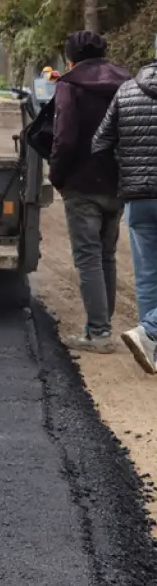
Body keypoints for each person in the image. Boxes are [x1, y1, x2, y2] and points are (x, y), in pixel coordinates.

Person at [48, 31, 131, 353]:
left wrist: (57, 174)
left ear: (72, 57)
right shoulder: (126, 83)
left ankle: (98, 333)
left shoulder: (70, 85)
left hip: (82, 183)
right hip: (118, 181)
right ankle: (102, 327)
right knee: (107, 255)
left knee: (88, 258)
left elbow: (64, 137)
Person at [93, 55, 157, 374]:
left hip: (137, 197)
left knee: (147, 277)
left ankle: (151, 347)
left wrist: (125, 167)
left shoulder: (127, 91)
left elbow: (100, 142)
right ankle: (150, 333)